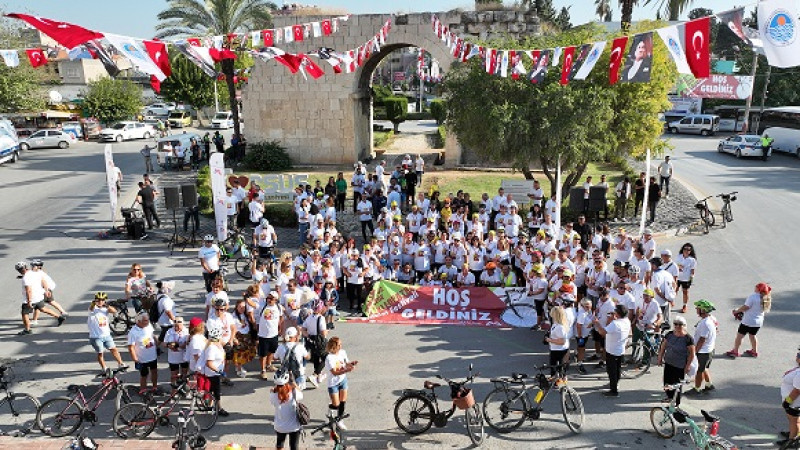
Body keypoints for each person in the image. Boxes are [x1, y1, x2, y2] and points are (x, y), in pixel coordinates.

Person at [726, 282, 772, 358]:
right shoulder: (766, 298)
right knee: (752, 335)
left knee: (739, 336)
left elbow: (746, 307)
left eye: (756, 287)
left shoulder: (753, 297)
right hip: (758, 322)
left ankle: (735, 351)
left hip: (748, 321)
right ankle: (754, 351)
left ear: (758, 289)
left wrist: (737, 311)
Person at [657, 315, 695, 406]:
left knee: (677, 384)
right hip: (669, 362)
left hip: (680, 365)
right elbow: (663, 346)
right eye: (675, 324)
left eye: (680, 324)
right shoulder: (669, 334)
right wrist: (660, 357)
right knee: (667, 381)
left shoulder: (688, 338)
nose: (677, 326)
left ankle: (676, 403)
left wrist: (688, 366)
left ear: (684, 325)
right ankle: (669, 397)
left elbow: (692, 354)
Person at [593, 304, 631, 397]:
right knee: (617, 369)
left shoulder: (615, 324)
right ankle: (615, 384)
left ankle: (613, 390)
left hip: (612, 350)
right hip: (620, 349)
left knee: (611, 371)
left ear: (617, 314)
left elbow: (602, 332)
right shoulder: (626, 321)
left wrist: (597, 323)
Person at [87, 292, 127, 374]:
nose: (100, 301)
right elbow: (90, 308)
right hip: (96, 337)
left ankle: (121, 363)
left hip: (106, 335)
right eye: (98, 300)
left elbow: (114, 311)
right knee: (100, 353)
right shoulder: (93, 309)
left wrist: (107, 305)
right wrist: (94, 303)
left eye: (102, 300)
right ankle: (104, 367)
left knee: (114, 349)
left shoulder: (105, 309)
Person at [325, 337, 357, 430]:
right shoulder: (329, 358)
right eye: (338, 345)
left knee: (342, 402)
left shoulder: (342, 352)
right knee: (336, 404)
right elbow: (334, 372)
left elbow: (346, 363)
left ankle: (339, 420)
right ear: (333, 347)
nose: (340, 346)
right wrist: (347, 370)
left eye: (340, 344)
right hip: (333, 383)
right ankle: (330, 410)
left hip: (343, 380)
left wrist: (351, 364)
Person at [687, 299, 717, 396]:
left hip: (703, 352)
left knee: (699, 371)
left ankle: (697, 389)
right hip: (710, 349)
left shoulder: (705, 324)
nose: (696, 309)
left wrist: (694, 352)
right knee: (705, 368)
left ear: (703, 310)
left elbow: (702, 340)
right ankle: (709, 385)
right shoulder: (711, 318)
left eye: (698, 308)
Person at [270, 370, 303, 450]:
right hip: (294, 426)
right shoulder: (294, 392)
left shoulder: (273, 394)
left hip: (279, 426)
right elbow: (301, 395)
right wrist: (294, 383)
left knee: (279, 444)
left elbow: (274, 402)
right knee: (294, 446)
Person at [127, 311, 159, 392]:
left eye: (148, 320)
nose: (148, 322)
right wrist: (135, 359)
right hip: (142, 358)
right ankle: (143, 390)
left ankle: (155, 387)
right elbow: (131, 347)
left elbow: (152, 335)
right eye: (145, 320)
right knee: (144, 375)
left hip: (152, 355)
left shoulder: (148, 326)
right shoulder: (133, 332)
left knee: (154, 372)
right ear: (138, 321)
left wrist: (157, 343)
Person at [201, 326, 230, 416]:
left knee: (212, 389)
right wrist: (220, 371)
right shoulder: (211, 348)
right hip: (213, 373)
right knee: (217, 391)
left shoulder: (217, 344)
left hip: (215, 372)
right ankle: (219, 408)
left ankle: (210, 404)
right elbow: (209, 363)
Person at [777, 350, 800, 448]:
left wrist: (787, 402)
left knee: (793, 420)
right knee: (794, 420)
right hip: (795, 402)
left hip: (794, 403)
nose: (796, 356)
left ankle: (792, 440)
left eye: (798, 355)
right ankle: (793, 433)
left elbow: (797, 391)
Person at [302, 301, 328, 388]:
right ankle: (314, 375)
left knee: (316, 358)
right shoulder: (321, 318)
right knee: (326, 358)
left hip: (311, 341)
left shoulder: (309, 318)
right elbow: (323, 333)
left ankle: (318, 376)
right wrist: (327, 331)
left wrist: (308, 335)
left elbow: (303, 329)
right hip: (319, 341)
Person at [258, 292, 283, 379]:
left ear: (275, 300)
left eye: (271, 299)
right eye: (268, 298)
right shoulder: (263, 306)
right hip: (263, 335)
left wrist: (280, 328)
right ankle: (263, 370)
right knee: (263, 354)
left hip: (274, 334)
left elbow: (281, 318)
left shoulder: (278, 307)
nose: (269, 300)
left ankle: (269, 365)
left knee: (272, 351)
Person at [163, 317, 189, 390]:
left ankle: (185, 389)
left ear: (182, 324)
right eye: (175, 325)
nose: (176, 326)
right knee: (174, 375)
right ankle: (174, 392)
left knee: (185, 374)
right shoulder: (169, 331)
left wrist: (181, 345)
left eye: (178, 325)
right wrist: (169, 345)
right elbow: (164, 343)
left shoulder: (186, 331)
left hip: (184, 357)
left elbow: (188, 343)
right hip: (173, 358)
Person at [546, 306, 570, 375]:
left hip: (558, 350)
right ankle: (559, 377)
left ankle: (557, 380)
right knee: (557, 366)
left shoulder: (560, 327)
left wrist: (549, 340)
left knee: (555, 366)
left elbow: (562, 341)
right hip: (556, 348)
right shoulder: (556, 324)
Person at [674, 243, 697, 313]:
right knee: (675, 290)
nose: (686, 251)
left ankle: (684, 306)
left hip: (686, 279)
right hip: (677, 277)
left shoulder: (692, 260)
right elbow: (675, 265)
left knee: (685, 292)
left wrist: (691, 279)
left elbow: (693, 270)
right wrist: (678, 267)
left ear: (690, 251)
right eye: (685, 249)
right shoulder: (679, 256)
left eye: (688, 249)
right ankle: (670, 302)